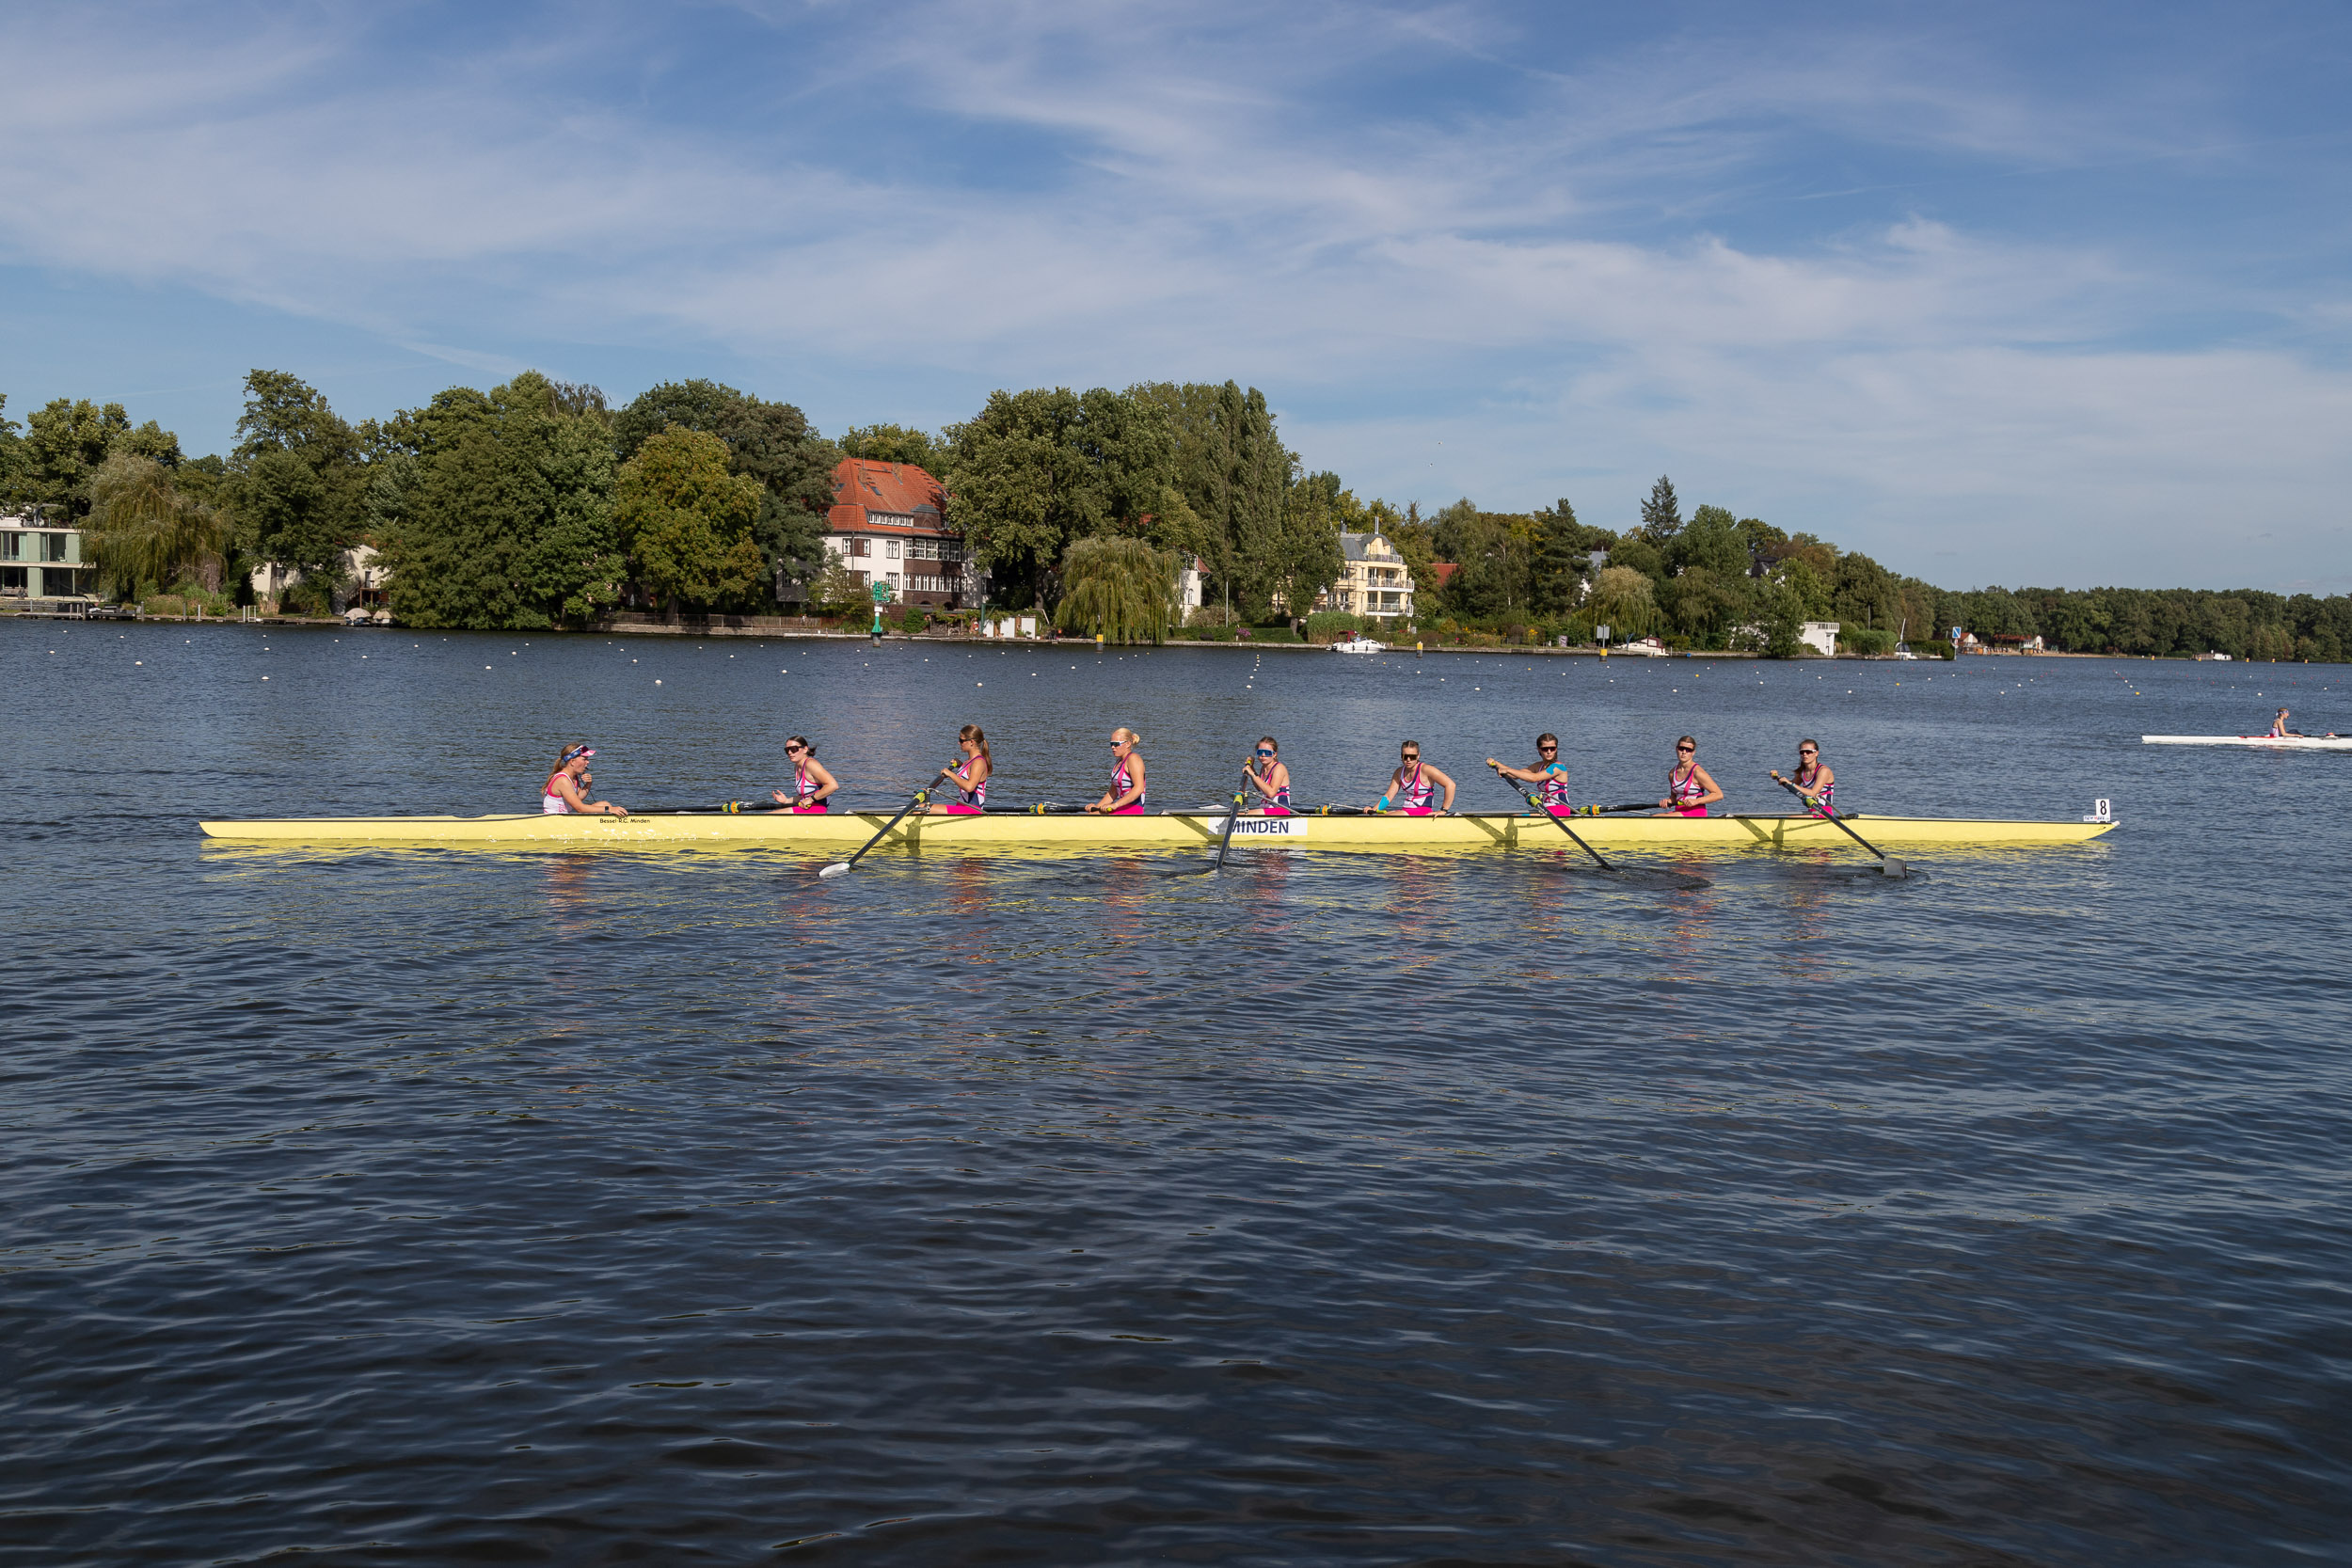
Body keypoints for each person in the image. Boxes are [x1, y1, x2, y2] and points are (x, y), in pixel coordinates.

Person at [1488, 733, 1570, 814]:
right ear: (1539, 749)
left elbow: (1534, 778)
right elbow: (1516, 775)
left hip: (1560, 809)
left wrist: (1507, 770)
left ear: (1556, 749)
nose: (1549, 752)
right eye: (1545, 749)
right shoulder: (1538, 766)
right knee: (1515, 816)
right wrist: (1496, 764)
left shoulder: (1558, 767)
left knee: (1518, 817)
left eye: (1552, 748)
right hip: (1545, 809)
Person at [543, 744, 628, 816]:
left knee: (604, 804)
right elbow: (580, 808)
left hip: (564, 818)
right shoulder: (563, 780)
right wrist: (609, 809)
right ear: (572, 761)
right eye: (584, 759)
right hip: (555, 821)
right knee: (607, 807)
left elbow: (578, 798)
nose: (588, 762)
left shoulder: (574, 777)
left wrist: (588, 784)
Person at [1375, 740, 1455, 815]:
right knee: (1379, 815)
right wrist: (1373, 810)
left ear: (1418, 756)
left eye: (1412, 757)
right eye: (1405, 756)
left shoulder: (1426, 769)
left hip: (1423, 811)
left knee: (1387, 816)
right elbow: (1389, 796)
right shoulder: (1399, 772)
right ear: (1401, 756)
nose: (1408, 760)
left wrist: (1443, 810)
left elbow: (1450, 785)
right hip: (1405, 811)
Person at [929, 724, 992, 815]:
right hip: (962, 807)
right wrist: (961, 765)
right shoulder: (970, 761)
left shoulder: (978, 762)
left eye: (961, 740)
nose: (959, 743)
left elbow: (969, 787)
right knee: (921, 808)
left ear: (971, 742)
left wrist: (950, 774)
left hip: (972, 810)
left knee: (922, 808)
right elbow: (970, 773)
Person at [1658, 736, 1723, 816]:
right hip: (1679, 812)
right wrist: (1667, 801)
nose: (1684, 752)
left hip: (1695, 813)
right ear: (1676, 749)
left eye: (1688, 750)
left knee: (1657, 819)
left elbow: (1718, 794)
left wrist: (1696, 801)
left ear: (1693, 753)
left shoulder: (1697, 772)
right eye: (1681, 748)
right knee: (1654, 817)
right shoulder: (1672, 773)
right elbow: (1674, 797)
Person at [771, 736, 838, 813]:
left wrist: (811, 799)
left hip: (817, 809)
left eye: (793, 749)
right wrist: (786, 800)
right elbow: (805, 797)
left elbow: (833, 785)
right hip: (806, 808)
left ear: (805, 749)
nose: (789, 752)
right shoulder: (797, 767)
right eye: (787, 750)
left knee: (768, 817)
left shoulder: (811, 764)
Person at [1089, 727, 1148, 815]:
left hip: (1134, 809)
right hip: (1122, 807)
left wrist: (1115, 805)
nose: (1113, 747)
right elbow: (1113, 792)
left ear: (1128, 744)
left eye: (1116, 744)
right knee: (1091, 815)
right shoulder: (1119, 762)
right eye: (1111, 744)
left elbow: (1139, 788)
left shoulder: (1134, 759)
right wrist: (1096, 808)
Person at [1772, 739, 1835, 816]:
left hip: (1824, 814)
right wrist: (1778, 778)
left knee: (1790, 818)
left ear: (1816, 753)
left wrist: (1790, 783)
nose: (1805, 754)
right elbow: (1791, 786)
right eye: (1802, 752)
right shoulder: (1802, 771)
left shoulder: (1824, 771)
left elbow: (1813, 793)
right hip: (1812, 812)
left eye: (1808, 752)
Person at [1245, 736, 1292, 815]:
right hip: (1267, 809)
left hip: (1280, 810)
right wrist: (1251, 768)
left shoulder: (1279, 768)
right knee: (1236, 812)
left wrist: (1252, 773)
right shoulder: (1264, 768)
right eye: (1260, 752)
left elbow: (1271, 793)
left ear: (1274, 755)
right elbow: (1259, 787)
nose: (1263, 755)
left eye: (1267, 753)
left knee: (1240, 814)